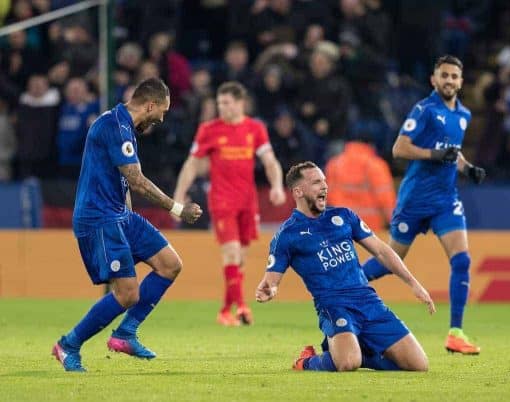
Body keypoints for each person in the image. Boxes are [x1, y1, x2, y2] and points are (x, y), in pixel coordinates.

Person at [52, 78, 203, 372]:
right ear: (150, 105)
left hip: (120, 215)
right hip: (99, 218)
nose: (162, 118)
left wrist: (130, 219)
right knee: (127, 294)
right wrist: (177, 208)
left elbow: (123, 181)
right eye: (162, 111)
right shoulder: (114, 126)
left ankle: (125, 334)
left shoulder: (125, 127)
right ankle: (68, 344)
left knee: (170, 264)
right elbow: (136, 179)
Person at [256, 161, 435, 372]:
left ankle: (361, 352)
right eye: (316, 182)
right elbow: (271, 280)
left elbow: (381, 251)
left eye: (324, 181)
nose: (324, 186)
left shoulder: (343, 216)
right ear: (298, 191)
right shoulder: (287, 235)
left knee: (419, 365)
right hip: (333, 305)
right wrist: (270, 289)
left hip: (368, 301)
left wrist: (413, 284)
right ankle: (307, 361)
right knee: (348, 363)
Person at [361, 55, 486, 355]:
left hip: (445, 201)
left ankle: (456, 332)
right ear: (433, 79)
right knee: (388, 263)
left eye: (454, 76)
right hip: (415, 200)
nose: (449, 81)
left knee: (462, 260)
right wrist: (433, 155)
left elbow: (452, 153)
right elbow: (399, 148)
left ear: (461, 81)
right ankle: (344, 283)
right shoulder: (425, 109)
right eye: (444, 75)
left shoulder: (464, 115)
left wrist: (467, 168)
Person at [173, 81, 286, 326]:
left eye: (226, 103)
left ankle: (225, 310)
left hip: (248, 201)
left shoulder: (255, 128)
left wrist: (277, 186)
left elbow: (270, 161)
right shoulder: (208, 129)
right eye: (219, 103)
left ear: (240, 103)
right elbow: (192, 164)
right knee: (231, 253)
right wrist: (179, 196)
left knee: (241, 259)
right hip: (222, 201)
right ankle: (243, 307)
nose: (221, 107)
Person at [324, 132, 395, 232]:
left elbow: (327, 197)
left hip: (341, 225)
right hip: (370, 227)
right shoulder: (376, 165)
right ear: (370, 145)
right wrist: (394, 224)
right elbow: (385, 199)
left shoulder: (334, 164)